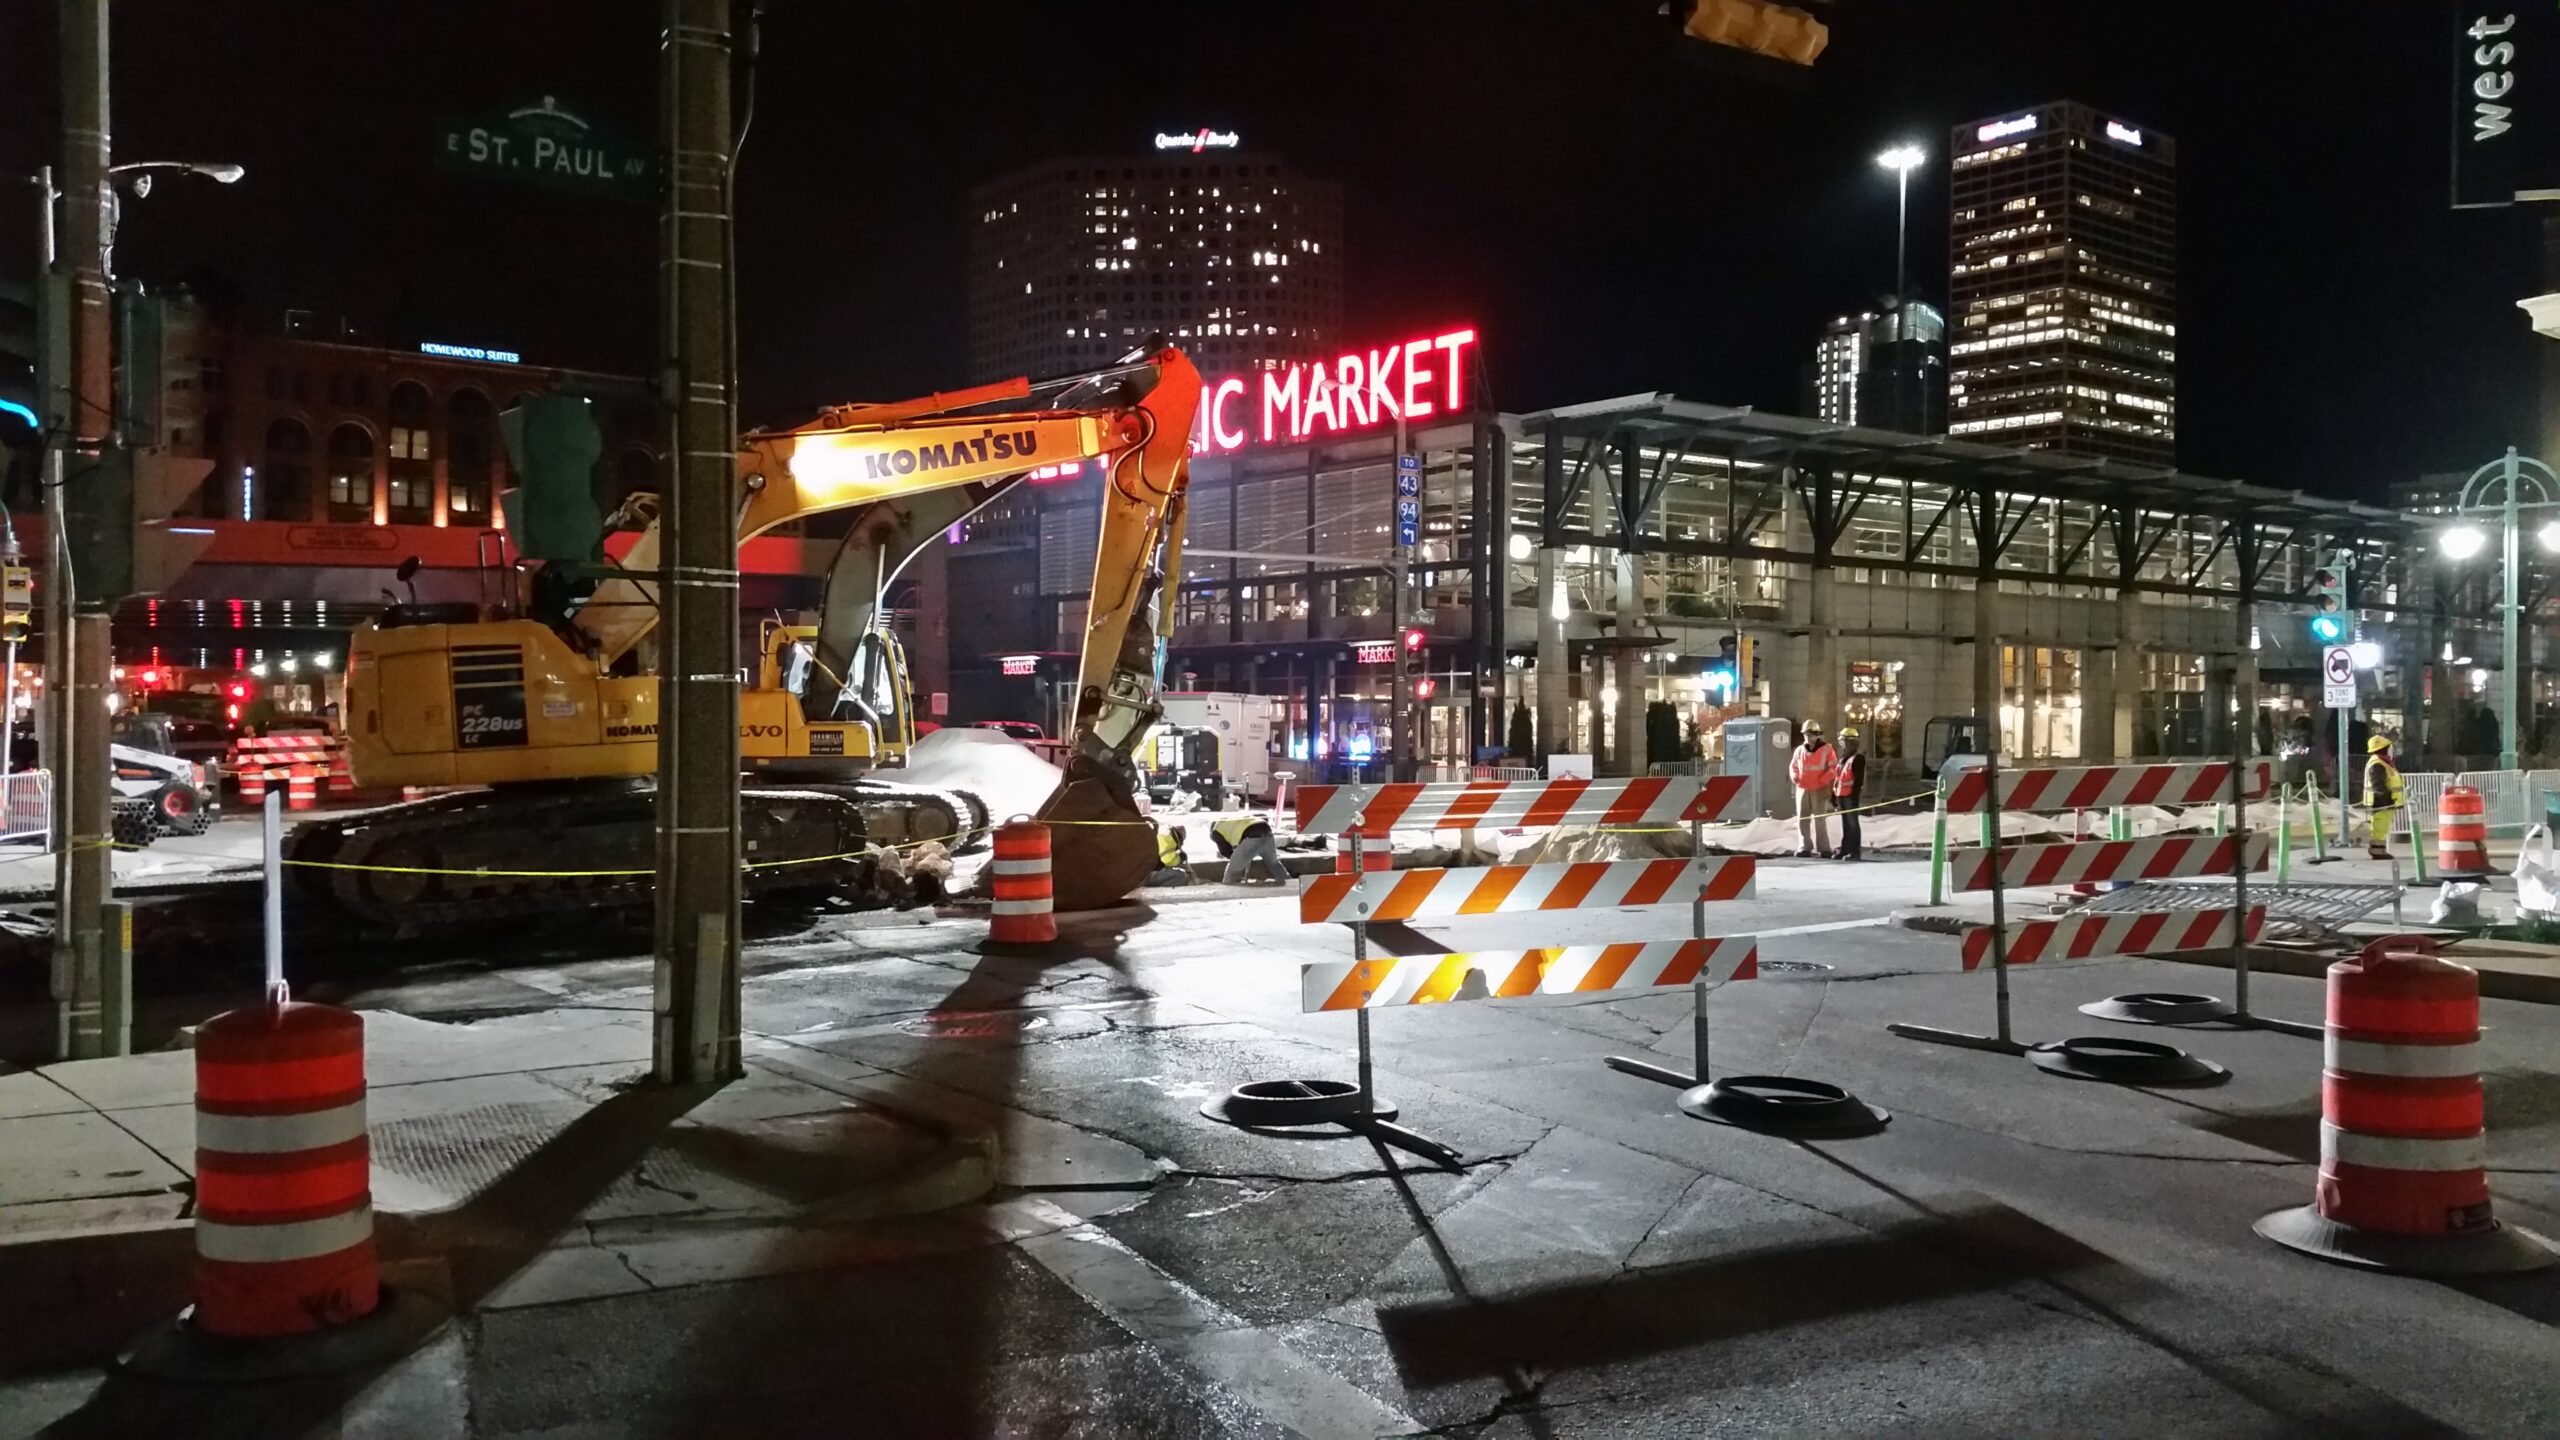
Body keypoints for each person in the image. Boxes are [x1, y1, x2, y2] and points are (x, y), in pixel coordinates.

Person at [1790, 720, 1837, 858]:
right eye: (1806, 735)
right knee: (1802, 819)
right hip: (1803, 788)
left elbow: (1833, 767)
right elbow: (1793, 766)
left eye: (1811, 735)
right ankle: (1804, 847)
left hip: (1820, 789)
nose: (1808, 738)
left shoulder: (1827, 749)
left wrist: (1823, 780)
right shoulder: (1799, 750)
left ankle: (1824, 848)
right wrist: (1795, 777)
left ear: (1817, 735)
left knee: (1820, 819)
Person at [1211, 811, 1287, 884]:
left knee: (1232, 870)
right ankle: (1290, 883)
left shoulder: (1215, 831)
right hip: (1267, 833)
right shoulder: (1230, 821)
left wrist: (1236, 858)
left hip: (1251, 836)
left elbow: (1226, 852)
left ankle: (1228, 888)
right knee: (1274, 864)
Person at [2364, 734, 2404, 860]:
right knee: (2379, 828)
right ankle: (2377, 852)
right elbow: (2378, 784)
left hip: (2384, 801)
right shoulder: (2378, 763)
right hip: (2381, 802)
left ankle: (2379, 850)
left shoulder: (2382, 762)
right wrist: (2387, 797)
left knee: (2382, 827)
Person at [1832, 725, 1867, 861]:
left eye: (1843, 742)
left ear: (1850, 743)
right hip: (1842, 796)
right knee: (1846, 825)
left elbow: (1858, 780)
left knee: (1853, 825)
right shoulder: (1843, 759)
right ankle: (1845, 849)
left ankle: (1855, 852)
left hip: (1850, 797)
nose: (1842, 745)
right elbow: (1838, 779)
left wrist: (1854, 796)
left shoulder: (1857, 759)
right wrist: (1834, 795)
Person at [1146, 823, 1193, 887]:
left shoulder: (1162, 837)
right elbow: (1167, 860)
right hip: (1149, 875)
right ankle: (1157, 889)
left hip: (1146, 873)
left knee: (1182, 873)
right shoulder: (1165, 838)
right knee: (1182, 875)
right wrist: (1180, 858)